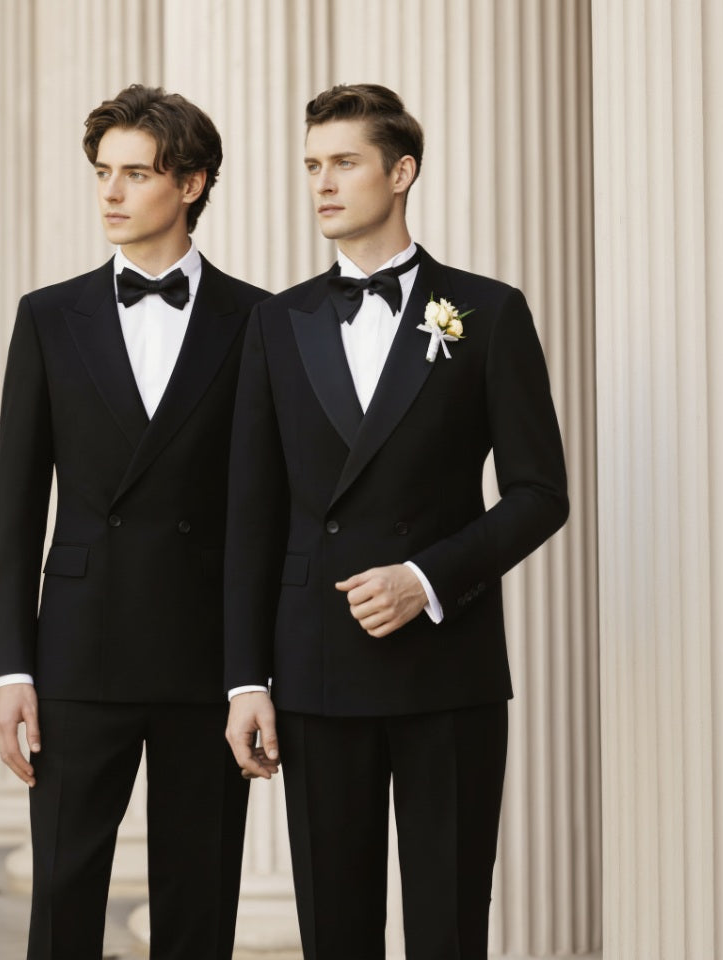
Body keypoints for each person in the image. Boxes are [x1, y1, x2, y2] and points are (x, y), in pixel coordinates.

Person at [224, 83, 569, 960]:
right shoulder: (276, 322)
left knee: (448, 927)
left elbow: (539, 492)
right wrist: (245, 680)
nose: (322, 184)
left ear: (401, 170)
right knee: (334, 931)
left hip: (446, 671)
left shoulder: (487, 311)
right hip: (315, 668)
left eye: (344, 162)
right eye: (311, 165)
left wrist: (424, 579)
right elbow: (251, 516)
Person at [0, 84, 268, 960]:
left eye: (135, 174)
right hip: (77, 651)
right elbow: (16, 503)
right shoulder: (47, 316)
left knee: (199, 903)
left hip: (204, 657)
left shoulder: (261, 319)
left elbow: (266, 509)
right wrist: (9, 669)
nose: (109, 193)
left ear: (191, 183)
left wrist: (253, 673)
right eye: (102, 172)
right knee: (64, 899)